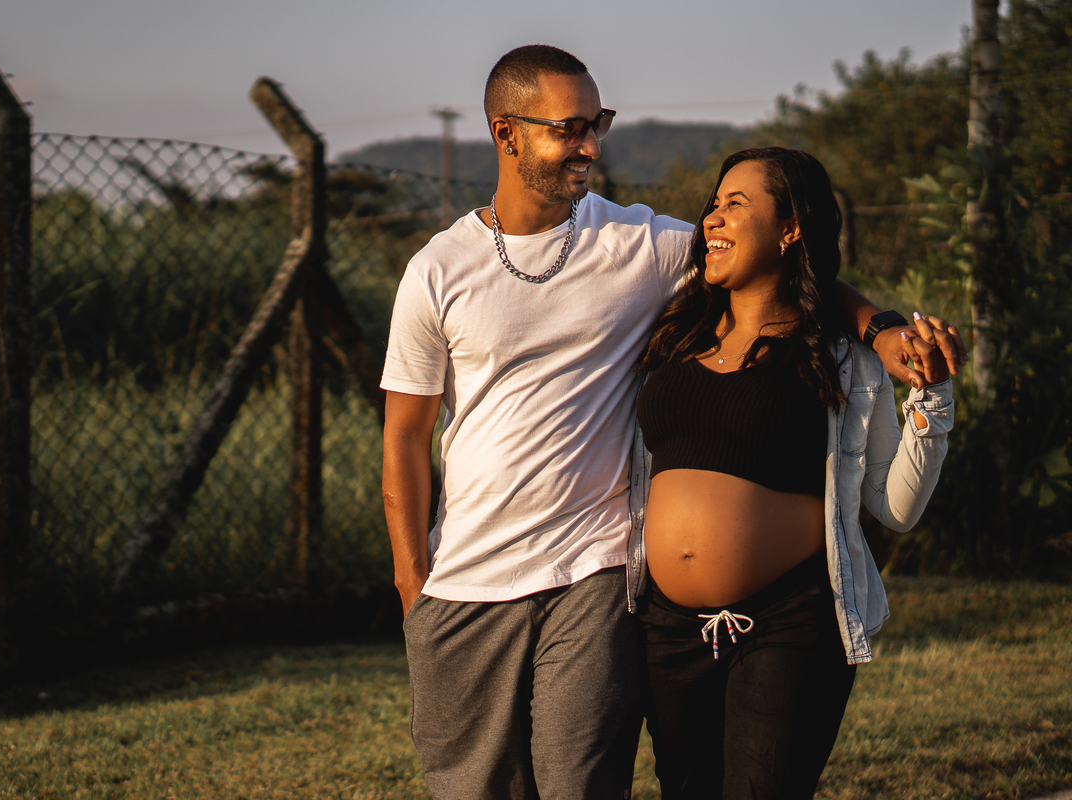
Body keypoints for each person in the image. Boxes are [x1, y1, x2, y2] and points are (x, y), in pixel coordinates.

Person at [380, 46, 963, 800]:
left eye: (598, 124)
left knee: (583, 788)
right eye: (569, 128)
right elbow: (403, 438)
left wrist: (880, 327)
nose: (591, 145)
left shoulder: (640, 244)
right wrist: (411, 585)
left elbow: (786, 266)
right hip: (465, 583)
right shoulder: (438, 269)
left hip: (591, 578)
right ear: (506, 133)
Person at [635, 147, 955, 799]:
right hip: (666, 629)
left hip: (788, 622)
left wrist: (934, 399)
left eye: (736, 204)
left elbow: (896, 508)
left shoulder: (838, 361)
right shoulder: (673, 331)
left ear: (791, 229)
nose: (712, 220)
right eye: (712, 204)